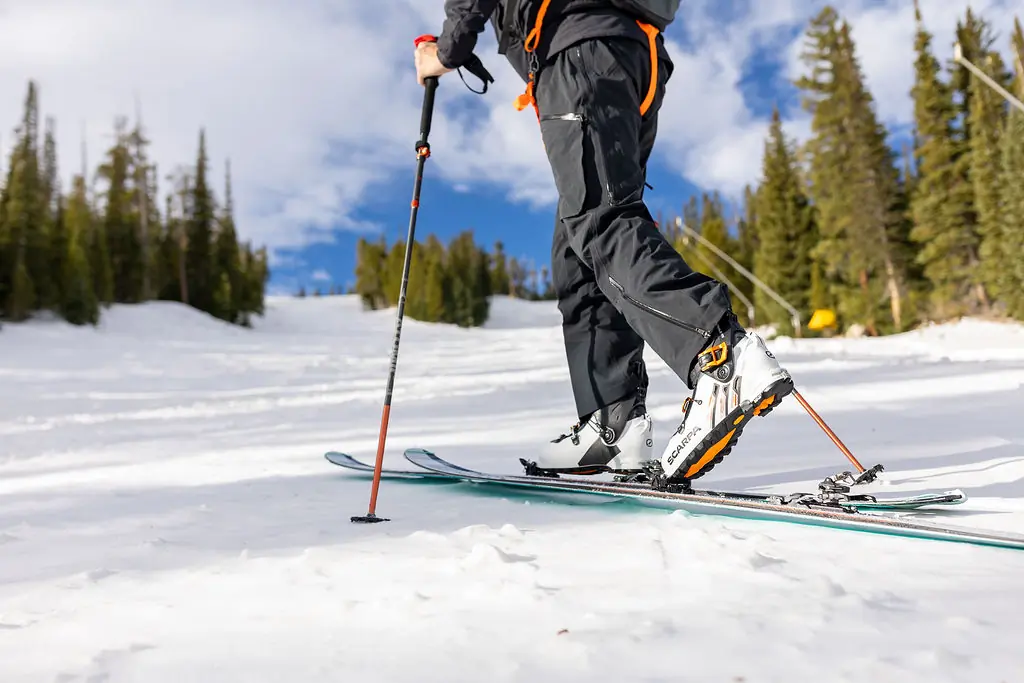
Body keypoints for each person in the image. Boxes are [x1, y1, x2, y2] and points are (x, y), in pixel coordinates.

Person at [414, 0, 794, 486]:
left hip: (582, 50)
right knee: (577, 247)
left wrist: (445, 52)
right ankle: (614, 424)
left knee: (601, 221)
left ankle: (719, 357)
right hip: (632, 57)